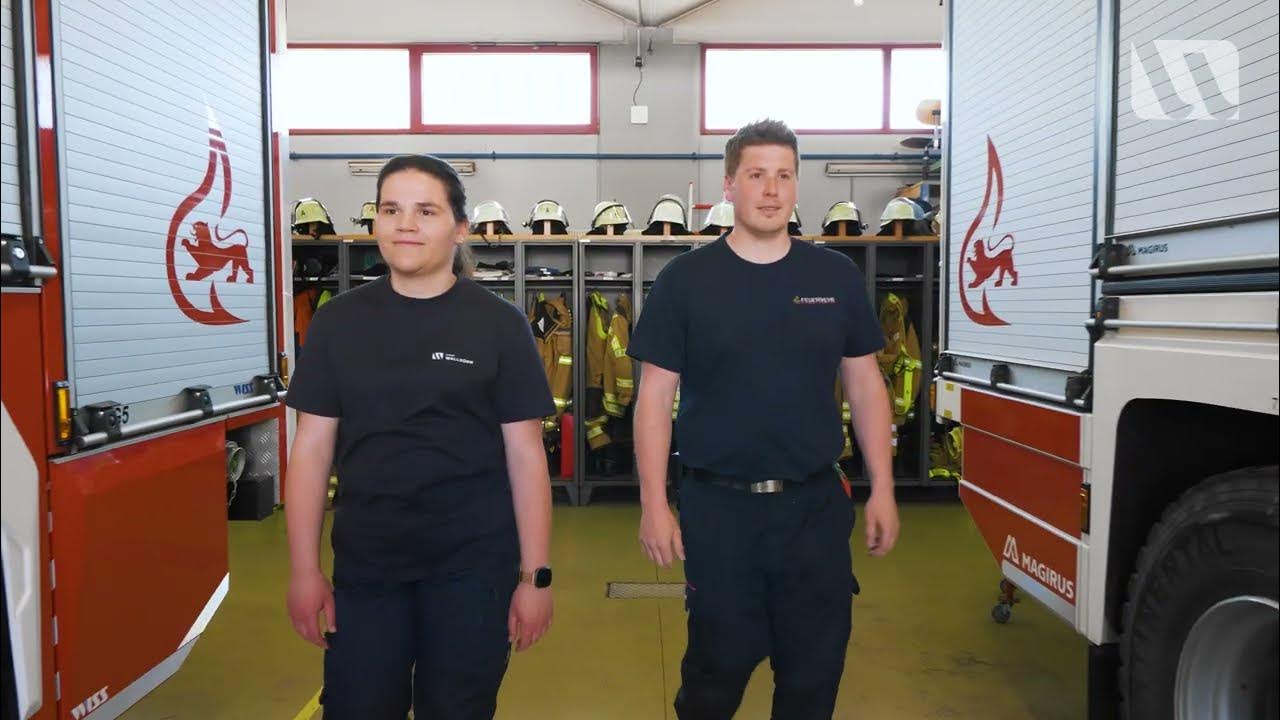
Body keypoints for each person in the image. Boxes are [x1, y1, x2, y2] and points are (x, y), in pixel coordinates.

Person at [629, 119, 900, 720]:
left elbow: (866, 384)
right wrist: (654, 502)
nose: (771, 190)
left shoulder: (833, 277)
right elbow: (653, 399)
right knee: (713, 679)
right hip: (719, 512)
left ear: (797, 186)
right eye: (756, 175)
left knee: (812, 678)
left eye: (784, 176)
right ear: (730, 186)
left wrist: (882, 486)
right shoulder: (686, 282)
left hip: (814, 510)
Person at [284, 154, 555, 719]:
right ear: (375, 223)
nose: (405, 223)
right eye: (391, 209)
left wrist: (536, 577)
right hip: (368, 569)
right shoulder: (339, 321)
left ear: (459, 228)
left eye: (425, 210)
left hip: (473, 571)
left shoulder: (500, 324)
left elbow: (526, 458)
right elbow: (310, 451)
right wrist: (304, 570)